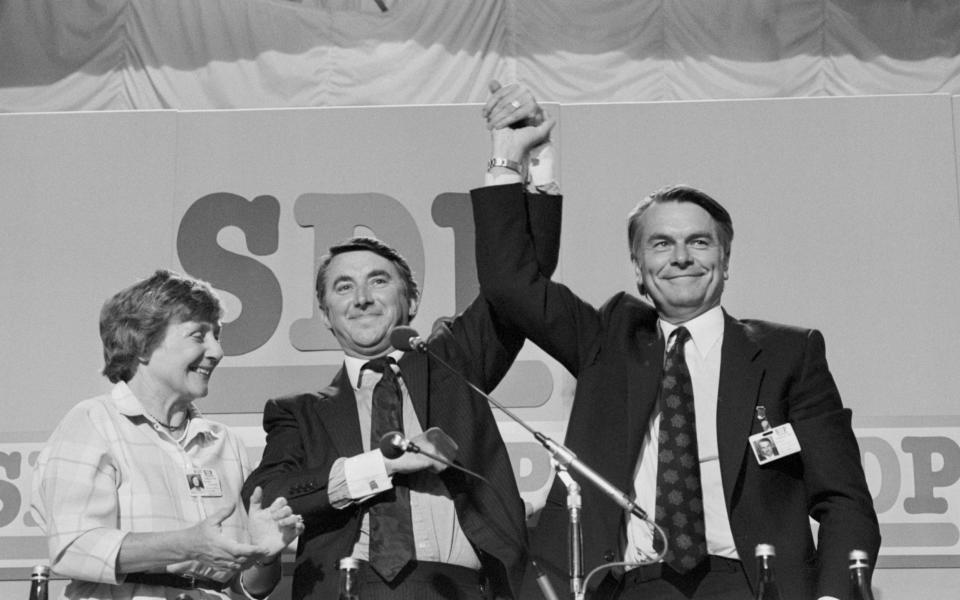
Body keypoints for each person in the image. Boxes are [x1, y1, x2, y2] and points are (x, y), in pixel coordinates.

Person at [471, 84, 880, 600]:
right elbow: (511, 285)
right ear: (639, 270)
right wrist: (514, 161)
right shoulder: (607, 340)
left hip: (755, 585)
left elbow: (843, 499)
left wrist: (834, 596)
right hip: (631, 585)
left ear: (725, 261)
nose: (681, 257)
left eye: (699, 242)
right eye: (661, 244)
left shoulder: (787, 355)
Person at [241, 186, 562, 599]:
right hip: (345, 588)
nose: (361, 299)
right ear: (325, 315)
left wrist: (515, 164)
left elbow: (518, 285)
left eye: (378, 281)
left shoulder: (452, 362)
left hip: (459, 588)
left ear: (411, 299)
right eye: (343, 288)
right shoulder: (299, 413)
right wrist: (383, 465)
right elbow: (267, 496)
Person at [32, 269, 304, 600]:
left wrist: (265, 554)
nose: (217, 351)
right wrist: (184, 545)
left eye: (217, 336)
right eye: (199, 335)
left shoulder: (226, 444)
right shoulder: (93, 422)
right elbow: (73, 547)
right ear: (143, 344)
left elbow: (248, 588)